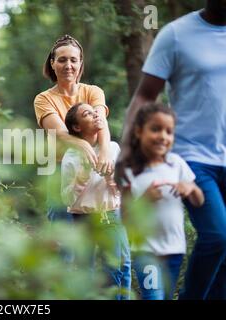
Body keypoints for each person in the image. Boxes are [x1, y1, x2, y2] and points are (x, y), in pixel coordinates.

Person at [120, 0, 226, 299]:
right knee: (218, 236)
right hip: (192, 157)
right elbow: (144, 95)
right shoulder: (177, 34)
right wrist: (128, 150)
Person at [116, 103, 204, 300]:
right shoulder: (128, 170)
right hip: (146, 250)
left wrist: (190, 188)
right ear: (139, 131)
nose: (163, 136)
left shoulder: (176, 164)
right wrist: (145, 199)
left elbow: (199, 200)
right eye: (155, 129)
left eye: (169, 131)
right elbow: (124, 216)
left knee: (164, 296)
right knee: (153, 297)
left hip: (174, 249)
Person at [34, 34, 113, 223]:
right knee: (63, 238)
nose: (68, 65)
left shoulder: (93, 91)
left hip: (95, 165)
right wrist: (84, 146)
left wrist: (105, 151)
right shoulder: (43, 99)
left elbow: (101, 122)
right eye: (62, 60)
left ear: (80, 63)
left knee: (96, 233)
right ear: (52, 63)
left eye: (73, 60)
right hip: (61, 168)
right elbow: (60, 133)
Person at [61, 103, 131, 300]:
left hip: (111, 215)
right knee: (85, 269)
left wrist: (110, 178)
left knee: (119, 265)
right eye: (87, 114)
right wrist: (82, 176)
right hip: (83, 219)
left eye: (95, 112)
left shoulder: (114, 148)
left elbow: (122, 191)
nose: (95, 116)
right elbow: (67, 198)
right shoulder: (71, 156)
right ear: (77, 127)